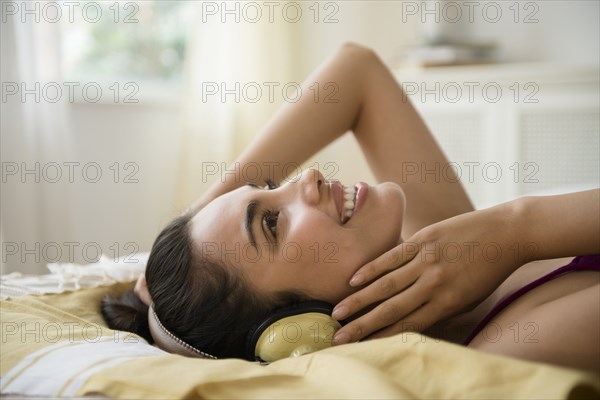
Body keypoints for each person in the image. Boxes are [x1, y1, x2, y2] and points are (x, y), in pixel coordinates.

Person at [102, 43, 600, 374]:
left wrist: (199, 221)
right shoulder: (519, 348)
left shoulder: (447, 251)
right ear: (302, 329)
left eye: (270, 186)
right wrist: (517, 228)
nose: (308, 177)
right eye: (272, 223)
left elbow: (355, 71)